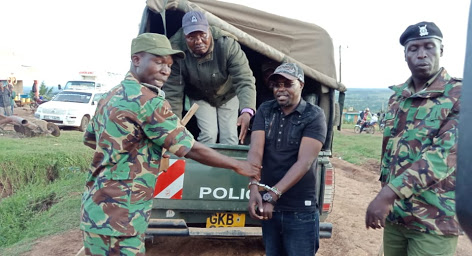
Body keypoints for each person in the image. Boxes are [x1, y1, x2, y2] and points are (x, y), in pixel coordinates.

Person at [80, 33, 261, 255]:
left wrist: (139, 149)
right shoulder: (148, 101)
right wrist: (237, 165)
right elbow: (191, 148)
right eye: (158, 61)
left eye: (169, 64)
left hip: (95, 209)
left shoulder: (108, 96)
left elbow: (91, 140)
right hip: (122, 216)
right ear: (136, 60)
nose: (166, 70)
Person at [365, 21, 463, 256]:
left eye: (429, 46)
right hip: (396, 216)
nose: (421, 54)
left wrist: (387, 194)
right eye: (413, 48)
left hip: (434, 220)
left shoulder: (460, 95)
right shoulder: (399, 98)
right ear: (405, 55)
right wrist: (388, 196)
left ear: (442, 51)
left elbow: (442, 157)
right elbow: (389, 154)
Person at [247, 63, 327, 255]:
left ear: (301, 84)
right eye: (276, 84)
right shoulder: (265, 110)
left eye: (287, 83)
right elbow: (255, 151)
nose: (280, 89)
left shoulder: (313, 115)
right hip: (269, 208)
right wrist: (253, 187)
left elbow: (304, 162)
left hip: (300, 210)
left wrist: (272, 196)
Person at [163, 10, 256, 145]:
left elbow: (244, 78)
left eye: (203, 35)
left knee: (230, 137)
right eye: (191, 37)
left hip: (228, 93)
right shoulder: (176, 51)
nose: (198, 41)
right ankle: (204, 165)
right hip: (199, 95)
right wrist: (174, 126)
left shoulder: (227, 44)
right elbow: (173, 92)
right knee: (208, 135)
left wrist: (247, 110)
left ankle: (228, 166)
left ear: (210, 31)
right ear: (184, 36)